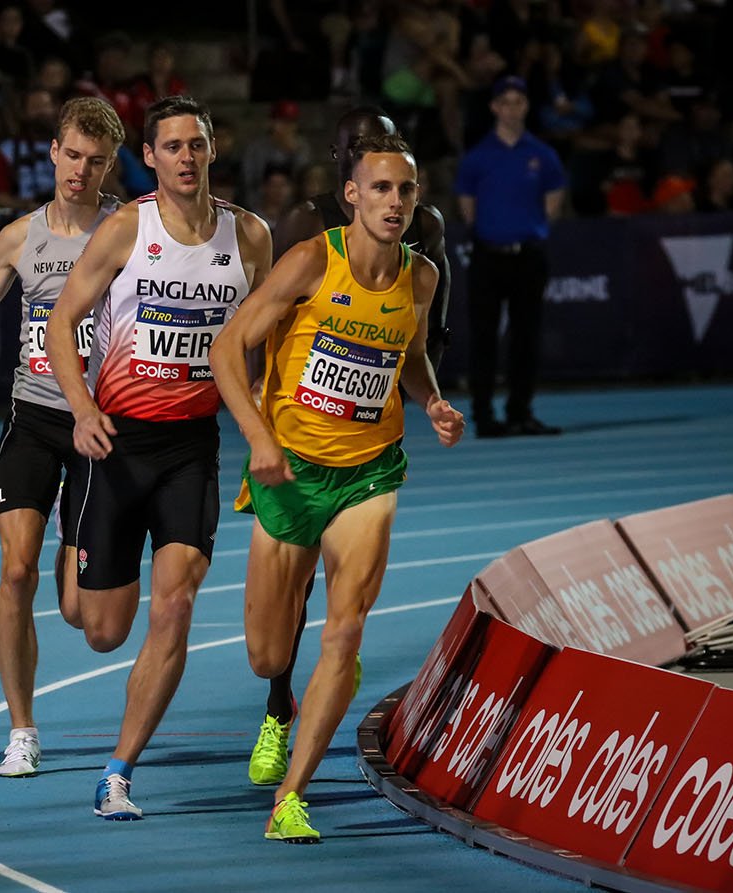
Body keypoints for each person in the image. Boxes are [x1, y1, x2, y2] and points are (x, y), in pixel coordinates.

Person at [212, 131, 464, 843]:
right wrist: (259, 438)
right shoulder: (309, 260)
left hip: (371, 469)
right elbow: (226, 346)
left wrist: (433, 401)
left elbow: (408, 355)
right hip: (289, 469)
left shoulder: (421, 276)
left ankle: (291, 796)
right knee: (267, 652)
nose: (394, 202)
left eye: (406, 190)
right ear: (351, 194)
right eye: (380, 188)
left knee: (345, 627)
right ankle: (281, 704)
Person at [44, 94, 273, 820]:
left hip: (189, 447)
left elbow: (260, 341)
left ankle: (118, 772)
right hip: (112, 441)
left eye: (195, 144)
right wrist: (80, 410)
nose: (184, 156)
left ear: (211, 149)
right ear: (149, 156)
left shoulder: (249, 236)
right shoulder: (125, 228)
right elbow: (61, 321)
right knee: (101, 629)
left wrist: (261, 419)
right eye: (170, 145)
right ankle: (70, 538)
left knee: (173, 605)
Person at [0, 96, 123, 778]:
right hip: (31, 415)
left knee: (85, 616)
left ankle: (71, 542)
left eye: (95, 160)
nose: (80, 170)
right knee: (12, 569)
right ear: (52, 153)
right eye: (71, 155)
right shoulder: (20, 236)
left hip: (100, 425)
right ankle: (21, 728)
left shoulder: (125, 232)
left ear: (111, 166)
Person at [455, 75, 565, 438]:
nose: (512, 108)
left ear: (526, 107)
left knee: (526, 337)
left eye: (519, 101)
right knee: (484, 336)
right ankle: (484, 415)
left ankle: (520, 411)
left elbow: (552, 205)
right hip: (488, 256)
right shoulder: (477, 158)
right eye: (506, 101)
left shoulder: (542, 155)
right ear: (494, 107)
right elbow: (468, 211)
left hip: (528, 257)